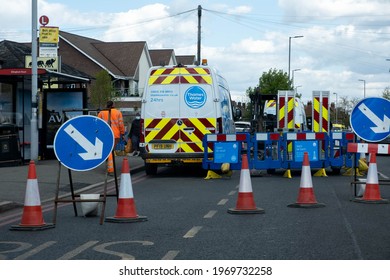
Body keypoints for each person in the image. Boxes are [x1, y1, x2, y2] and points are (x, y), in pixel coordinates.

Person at [98, 101, 125, 174]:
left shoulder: (102, 113)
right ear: (113, 105)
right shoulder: (118, 112)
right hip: (115, 134)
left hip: (105, 134)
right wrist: (122, 133)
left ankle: (109, 167)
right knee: (110, 151)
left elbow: (98, 123)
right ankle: (110, 169)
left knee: (108, 150)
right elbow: (121, 124)